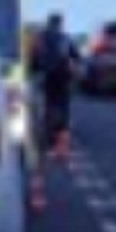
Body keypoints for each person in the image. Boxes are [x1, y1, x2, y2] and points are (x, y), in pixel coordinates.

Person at [34, 12, 77, 154]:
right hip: (63, 76)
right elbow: (75, 55)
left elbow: (34, 59)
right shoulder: (64, 38)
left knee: (49, 104)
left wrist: (35, 72)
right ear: (60, 23)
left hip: (48, 76)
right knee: (63, 106)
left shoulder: (40, 38)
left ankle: (49, 137)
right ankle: (61, 139)